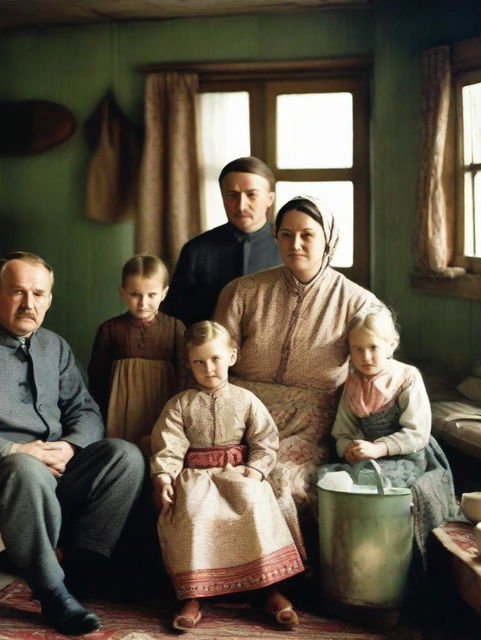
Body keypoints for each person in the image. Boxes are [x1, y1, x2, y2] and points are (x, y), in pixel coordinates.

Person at [0, 251, 145, 636]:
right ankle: (51, 593)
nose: (29, 304)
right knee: (26, 471)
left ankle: (82, 571)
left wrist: (71, 447)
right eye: (17, 292)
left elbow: (86, 411)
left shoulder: (53, 346)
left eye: (39, 294)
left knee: (125, 456)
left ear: (49, 299)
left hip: (50, 470)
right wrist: (17, 451)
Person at [213, 196, 383, 558]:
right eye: (286, 234)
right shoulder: (242, 292)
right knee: (207, 472)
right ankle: (216, 575)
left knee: (278, 479)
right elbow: (212, 360)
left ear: (329, 240)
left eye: (307, 235)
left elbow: (374, 372)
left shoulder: (358, 304)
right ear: (275, 237)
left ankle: (281, 579)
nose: (296, 244)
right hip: (239, 415)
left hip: (308, 423)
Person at [150, 321, 304, 631]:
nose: (209, 368)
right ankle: (192, 596)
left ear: (231, 356)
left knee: (253, 500)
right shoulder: (180, 404)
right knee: (192, 512)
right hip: (197, 476)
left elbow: (265, 440)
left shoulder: (246, 400)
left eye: (216, 358)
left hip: (238, 473)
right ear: (190, 363)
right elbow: (168, 445)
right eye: (199, 362)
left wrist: (257, 468)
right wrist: (164, 477)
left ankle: (267, 590)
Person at [320, 311, 458, 565]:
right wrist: (348, 447)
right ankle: (350, 557)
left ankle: (385, 556)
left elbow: (417, 432)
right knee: (326, 479)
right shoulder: (352, 384)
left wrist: (379, 449)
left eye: (373, 347)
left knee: (374, 483)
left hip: (410, 454)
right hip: (371, 456)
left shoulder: (407, 377)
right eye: (357, 349)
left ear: (391, 346)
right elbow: (341, 431)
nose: (366, 356)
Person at [162, 156, 281, 326]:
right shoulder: (196, 250)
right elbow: (177, 317)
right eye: (232, 195)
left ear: (270, 198)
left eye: (251, 195)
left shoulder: (289, 246)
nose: (241, 206)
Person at [88, 254, 186, 454]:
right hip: (121, 412)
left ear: (164, 293)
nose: (143, 303)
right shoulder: (110, 329)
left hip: (163, 406)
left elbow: (185, 372)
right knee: (124, 454)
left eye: (151, 295)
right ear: (122, 293)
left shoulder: (175, 328)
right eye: (135, 294)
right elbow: (97, 376)